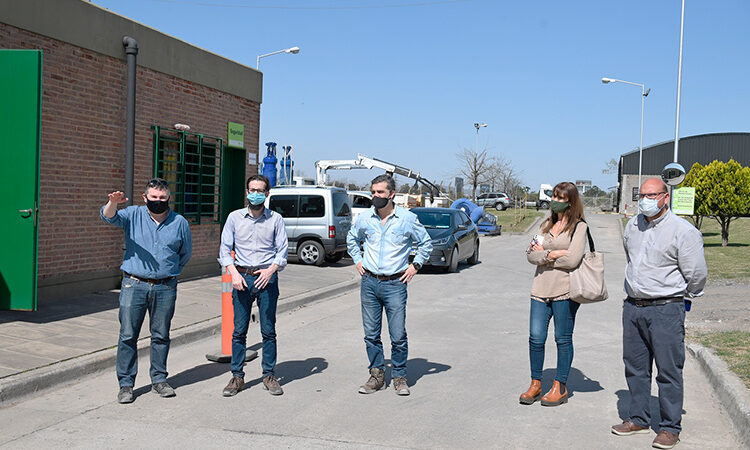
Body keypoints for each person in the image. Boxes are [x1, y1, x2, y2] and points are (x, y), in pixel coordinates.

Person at [612, 177, 707, 450]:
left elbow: (696, 274)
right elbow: (631, 259)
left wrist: (681, 296)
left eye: (652, 195)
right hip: (633, 307)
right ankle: (639, 418)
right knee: (635, 368)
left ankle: (669, 427)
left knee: (668, 371)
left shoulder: (683, 231)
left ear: (666, 197)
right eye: (642, 195)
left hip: (666, 309)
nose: (646, 200)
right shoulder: (633, 225)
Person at [101, 178, 192, 404]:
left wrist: (168, 271)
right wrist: (112, 202)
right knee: (128, 335)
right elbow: (108, 217)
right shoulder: (133, 215)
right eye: (154, 198)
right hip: (134, 284)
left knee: (161, 336)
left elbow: (185, 253)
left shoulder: (179, 222)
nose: (158, 201)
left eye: (162, 198)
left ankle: (159, 380)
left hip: (165, 287)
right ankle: (126, 384)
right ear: (145, 198)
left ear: (168, 198)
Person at [346, 174, 432, 396]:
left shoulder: (407, 219)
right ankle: (376, 375)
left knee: (397, 335)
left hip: (395, 284)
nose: (375, 196)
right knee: (371, 334)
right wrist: (358, 260)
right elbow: (352, 239)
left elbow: (425, 243)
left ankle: (400, 377)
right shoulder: (365, 218)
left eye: (380, 192)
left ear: (392, 194)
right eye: (373, 192)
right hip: (369, 282)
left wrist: (415, 266)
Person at [218, 174, 288, 397]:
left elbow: (282, 251)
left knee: (268, 330)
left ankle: (269, 374)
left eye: (260, 190)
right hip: (242, 278)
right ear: (246, 192)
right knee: (239, 330)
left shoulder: (275, 219)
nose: (255, 194)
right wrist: (233, 274)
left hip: (267, 278)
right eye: (252, 190)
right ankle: (237, 376)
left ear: (267, 194)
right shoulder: (234, 218)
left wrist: (270, 271)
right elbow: (224, 249)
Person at [521, 181, 587, 407]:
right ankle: (535, 383)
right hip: (539, 290)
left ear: (571, 201)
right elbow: (530, 255)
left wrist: (544, 255)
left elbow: (573, 259)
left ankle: (560, 385)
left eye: (561, 198)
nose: (556, 202)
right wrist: (554, 253)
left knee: (562, 338)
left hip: (564, 292)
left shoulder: (579, 227)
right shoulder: (545, 225)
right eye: (554, 197)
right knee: (535, 338)